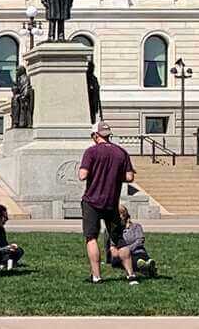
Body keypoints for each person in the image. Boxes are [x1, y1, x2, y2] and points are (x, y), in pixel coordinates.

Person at [79, 120, 139, 284]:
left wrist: (94, 172)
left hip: (92, 200)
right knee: (119, 238)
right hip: (112, 201)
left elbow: (82, 175)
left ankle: (97, 276)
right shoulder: (121, 152)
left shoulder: (91, 152)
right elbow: (129, 177)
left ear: (95, 135)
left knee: (91, 238)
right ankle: (131, 275)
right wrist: (113, 175)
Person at [113, 205, 157, 278]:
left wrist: (128, 249)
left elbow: (140, 240)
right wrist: (125, 251)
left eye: (122, 213)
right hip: (122, 255)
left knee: (141, 257)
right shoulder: (114, 230)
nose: (121, 216)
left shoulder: (136, 226)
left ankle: (147, 265)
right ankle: (148, 268)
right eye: (118, 214)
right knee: (130, 260)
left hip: (137, 251)